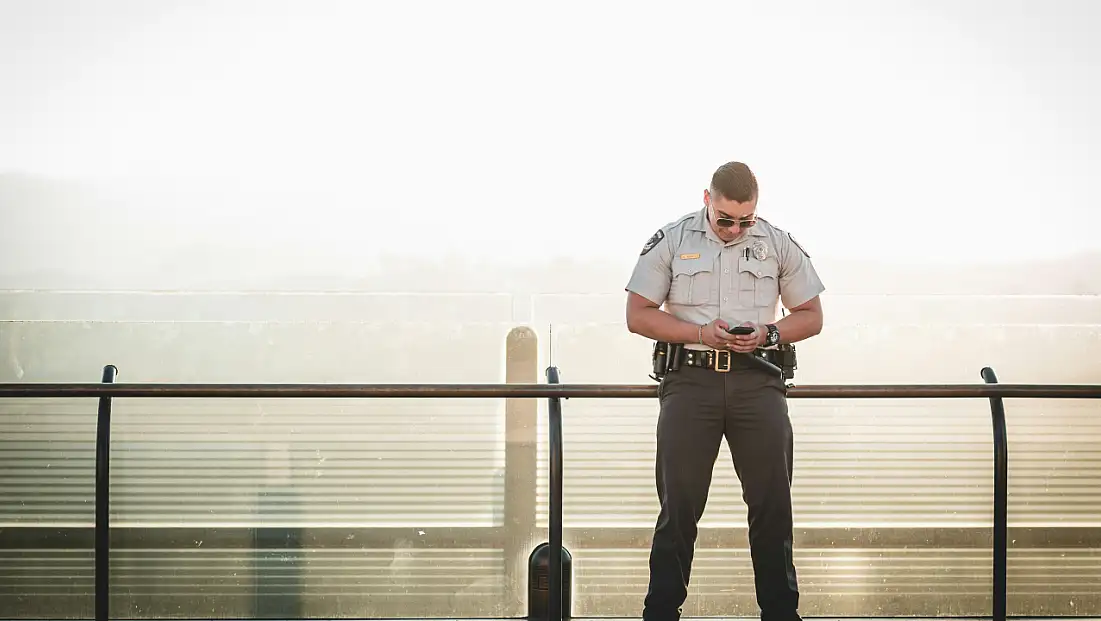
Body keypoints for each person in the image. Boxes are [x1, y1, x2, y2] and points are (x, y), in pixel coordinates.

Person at [624, 161, 825, 621]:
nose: (735, 230)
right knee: (679, 507)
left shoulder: (777, 242)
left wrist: (769, 333)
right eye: (725, 220)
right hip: (690, 383)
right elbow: (637, 314)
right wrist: (698, 335)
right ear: (706, 200)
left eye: (745, 221)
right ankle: (660, 614)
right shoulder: (673, 239)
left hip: (758, 382)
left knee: (773, 505)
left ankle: (780, 613)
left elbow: (811, 315)